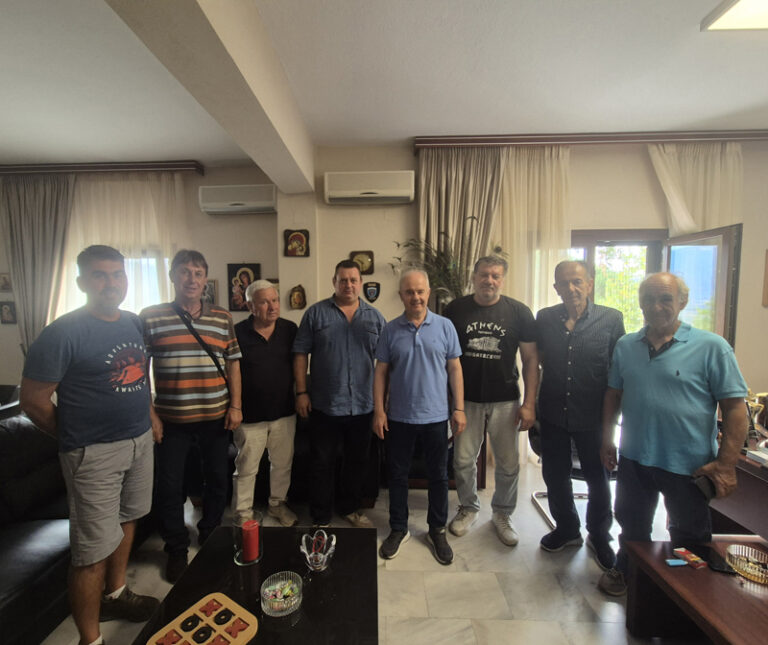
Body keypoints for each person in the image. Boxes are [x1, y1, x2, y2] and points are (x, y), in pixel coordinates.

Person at [20, 245, 159, 645]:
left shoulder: (132, 323)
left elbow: (139, 377)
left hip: (138, 442)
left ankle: (116, 594)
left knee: (129, 519)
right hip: (92, 453)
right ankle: (90, 639)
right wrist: (76, 435)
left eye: (117, 274)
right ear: (82, 281)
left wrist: (149, 416)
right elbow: (33, 400)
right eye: (100, 275)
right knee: (90, 552)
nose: (110, 283)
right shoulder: (63, 332)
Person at [598, 272, 748, 596]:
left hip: (689, 466)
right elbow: (614, 394)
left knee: (689, 535)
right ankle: (628, 569)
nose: (656, 306)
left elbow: (736, 409)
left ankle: (688, 596)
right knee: (631, 523)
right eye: (648, 299)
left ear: (682, 301)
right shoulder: (626, 346)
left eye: (665, 299)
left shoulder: (712, 347)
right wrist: (607, 438)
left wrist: (726, 465)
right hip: (635, 458)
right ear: (640, 304)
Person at [140, 250, 242, 582]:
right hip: (172, 421)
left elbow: (233, 363)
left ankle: (211, 532)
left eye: (198, 273)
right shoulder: (151, 317)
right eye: (185, 272)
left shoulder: (222, 317)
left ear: (205, 279)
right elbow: (139, 371)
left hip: (215, 417)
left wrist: (236, 406)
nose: (192, 279)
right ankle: (176, 547)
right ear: (173, 276)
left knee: (217, 479)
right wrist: (151, 414)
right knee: (169, 486)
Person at [536, 260, 625, 569]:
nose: (571, 288)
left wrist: (614, 421)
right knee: (555, 474)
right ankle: (567, 529)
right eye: (564, 283)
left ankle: (599, 535)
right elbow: (540, 359)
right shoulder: (545, 318)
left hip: (593, 415)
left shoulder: (611, 319)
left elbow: (618, 369)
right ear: (556, 288)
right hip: (552, 412)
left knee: (598, 478)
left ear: (590, 283)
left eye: (577, 281)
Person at [443, 256, 537, 546]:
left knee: (508, 464)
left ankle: (503, 514)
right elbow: (445, 357)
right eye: (484, 275)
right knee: (462, 461)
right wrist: (451, 402)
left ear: (502, 280)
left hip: (506, 400)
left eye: (496, 276)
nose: (489, 280)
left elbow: (531, 360)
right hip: (466, 400)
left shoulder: (519, 312)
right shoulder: (455, 309)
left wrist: (529, 403)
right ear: (474, 277)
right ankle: (468, 507)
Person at [374, 269, 466, 565]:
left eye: (420, 291)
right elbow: (380, 372)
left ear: (428, 293)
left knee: (438, 476)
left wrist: (459, 408)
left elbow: (455, 369)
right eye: (409, 292)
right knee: (397, 476)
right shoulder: (390, 330)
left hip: (436, 417)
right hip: (399, 417)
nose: (416, 296)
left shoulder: (445, 326)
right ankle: (398, 528)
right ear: (401, 295)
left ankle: (437, 529)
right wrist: (379, 411)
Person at [293, 259, 386, 528]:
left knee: (357, 462)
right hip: (325, 405)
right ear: (334, 282)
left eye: (353, 280)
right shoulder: (315, 314)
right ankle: (321, 516)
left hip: (363, 405)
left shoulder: (375, 317)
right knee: (322, 463)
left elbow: (386, 362)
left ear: (360, 283)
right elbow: (300, 353)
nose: (348, 285)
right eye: (343, 280)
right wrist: (301, 392)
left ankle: (350, 508)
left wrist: (383, 401)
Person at [232, 280, 299, 527]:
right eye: (264, 302)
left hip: (284, 411)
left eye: (275, 300)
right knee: (246, 468)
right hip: (250, 415)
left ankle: (277, 505)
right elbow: (231, 371)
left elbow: (298, 364)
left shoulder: (290, 329)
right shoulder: (237, 332)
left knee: (282, 465)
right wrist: (234, 407)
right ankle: (243, 513)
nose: (272, 307)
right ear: (250, 306)